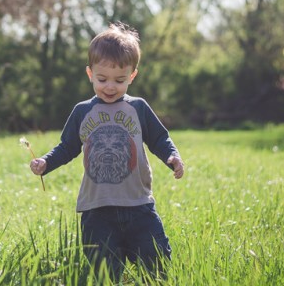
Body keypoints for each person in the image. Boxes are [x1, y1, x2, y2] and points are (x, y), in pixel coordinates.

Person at [30, 22, 185, 280]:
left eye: (119, 80)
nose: (110, 87)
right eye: (102, 79)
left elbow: (159, 138)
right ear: (90, 73)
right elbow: (67, 147)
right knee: (103, 273)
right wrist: (46, 162)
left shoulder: (138, 108)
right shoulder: (82, 111)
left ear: (132, 76)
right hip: (97, 210)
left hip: (139, 206)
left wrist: (172, 157)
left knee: (157, 266)